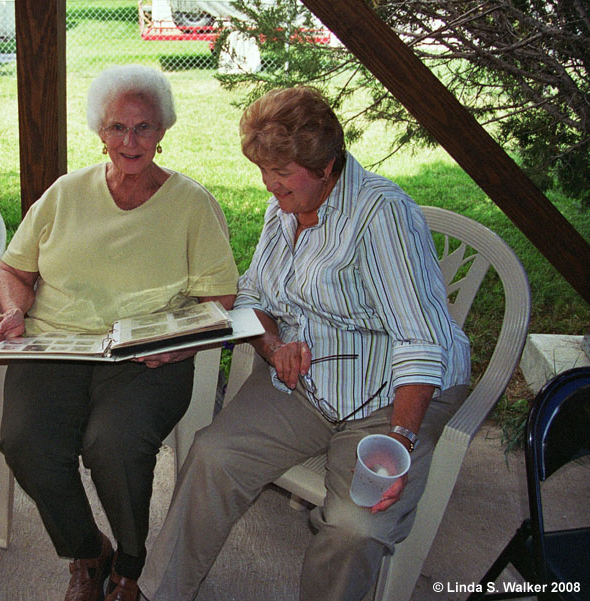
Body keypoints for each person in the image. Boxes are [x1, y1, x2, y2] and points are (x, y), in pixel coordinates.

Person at [139, 86, 472, 601]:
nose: (269, 185)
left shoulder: (382, 215)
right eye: (263, 171)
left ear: (324, 166)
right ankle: (161, 593)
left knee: (357, 527)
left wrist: (398, 443)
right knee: (213, 454)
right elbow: (254, 295)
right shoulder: (286, 209)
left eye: (281, 172)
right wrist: (273, 346)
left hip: (390, 393)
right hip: (304, 379)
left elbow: (421, 341)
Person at [0, 64, 239, 601]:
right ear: (99, 132)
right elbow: (14, 270)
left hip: (146, 356)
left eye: (143, 127)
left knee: (115, 444)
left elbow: (221, 298)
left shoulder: (192, 205)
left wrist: (182, 344)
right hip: (58, 345)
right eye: (118, 128)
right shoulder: (64, 193)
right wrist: (13, 312)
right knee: (26, 441)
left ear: (163, 131)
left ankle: (130, 566)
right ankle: (87, 553)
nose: (131, 140)